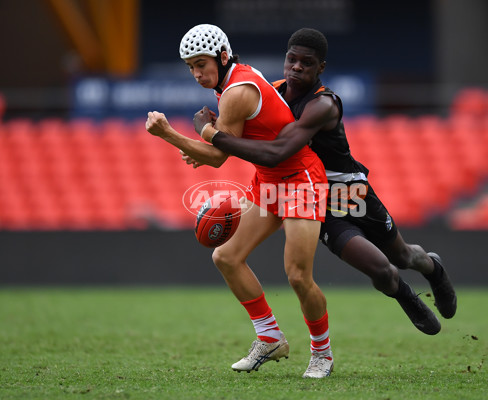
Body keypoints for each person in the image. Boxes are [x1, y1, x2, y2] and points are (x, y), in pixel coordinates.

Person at [192, 28, 457, 335]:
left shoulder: (324, 104)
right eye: (292, 59)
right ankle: (405, 295)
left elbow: (276, 152)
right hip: (314, 197)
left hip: (352, 193)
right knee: (380, 270)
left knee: (402, 255)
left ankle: (433, 268)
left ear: (321, 68)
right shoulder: (269, 93)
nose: (297, 67)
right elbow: (244, 131)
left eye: (306, 62)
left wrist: (213, 135)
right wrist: (220, 130)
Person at [145, 24, 334, 378]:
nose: (196, 72)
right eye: (190, 66)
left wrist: (168, 134)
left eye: (201, 63)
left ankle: (322, 353)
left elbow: (217, 155)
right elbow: (222, 146)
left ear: (223, 56)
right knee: (226, 256)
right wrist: (203, 145)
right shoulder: (231, 83)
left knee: (296, 276)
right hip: (269, 179)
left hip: (300, 180)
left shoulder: (235, 91)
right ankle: (270, 338)